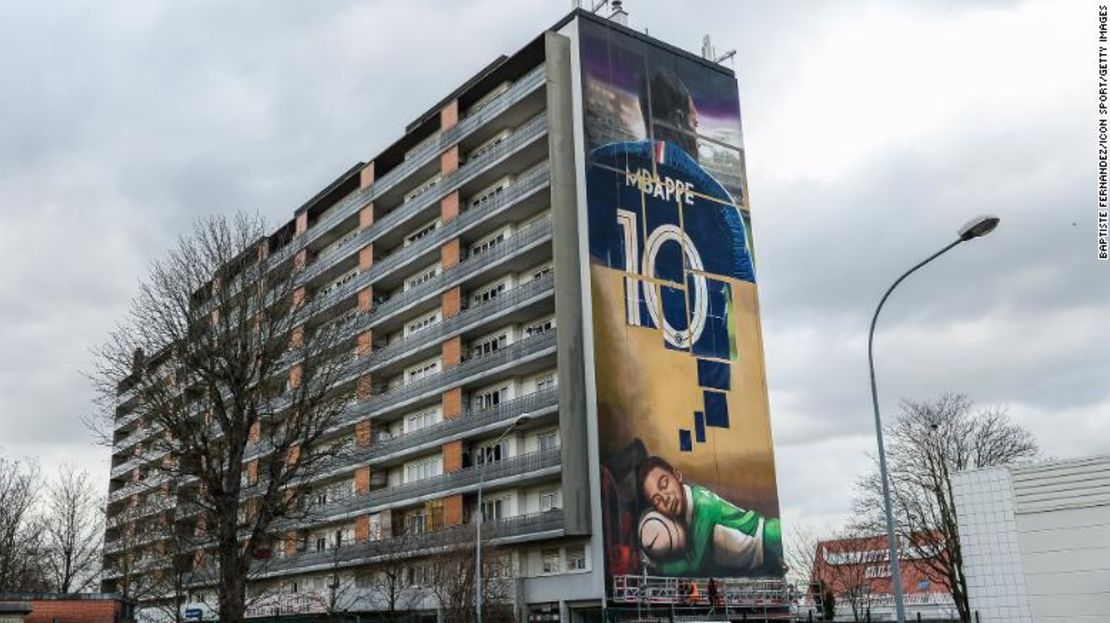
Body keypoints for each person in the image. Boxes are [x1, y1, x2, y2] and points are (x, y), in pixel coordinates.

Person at [637, 456, 783, 576]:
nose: (665, 498)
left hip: (768, 537)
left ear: (677, 476)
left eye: (664, 484)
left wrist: (656, 567)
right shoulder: (684, 515)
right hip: (760, 558)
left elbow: (695, 564)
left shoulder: (703, 505)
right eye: (656, 500)